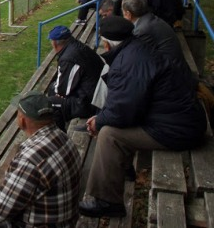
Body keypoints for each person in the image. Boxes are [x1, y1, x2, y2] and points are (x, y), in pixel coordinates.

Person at [79, 16, 206, 218]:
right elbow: (129, 106)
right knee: (111, 126)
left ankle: (107, 201)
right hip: (182, 119)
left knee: (109, 134)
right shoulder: (137, 49)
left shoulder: (127, 63)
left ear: (106, 43)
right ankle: (123, 169)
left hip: (179, 129)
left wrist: (98, 121)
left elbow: (122, 112)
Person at [0, 91, 81, 228]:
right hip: (61, 217)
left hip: (40, 223)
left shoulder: (30, 160)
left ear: (22, 119)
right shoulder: (62, 137)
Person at [46, 26, 105, 130]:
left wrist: (59, 93)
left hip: (91, 103)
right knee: (53, 89)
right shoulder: (77, 46)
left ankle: (60, 137)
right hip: (97, 94)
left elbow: (62, 90)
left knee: (50, 103)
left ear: (54, 43)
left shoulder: (68, 58)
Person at [121, 0, 185, 66]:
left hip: (171, 70)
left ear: (128, 14)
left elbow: (133, 55)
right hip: (173, 64)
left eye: (123, 13)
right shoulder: (150, 18)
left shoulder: (142, 30)